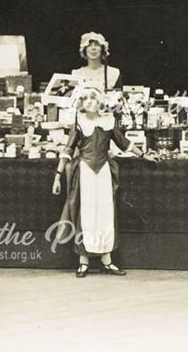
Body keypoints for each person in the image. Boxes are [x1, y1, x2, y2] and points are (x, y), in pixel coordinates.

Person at [52, 86, 143, 277]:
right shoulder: (79, 121)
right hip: (84, 171)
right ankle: (83, 262)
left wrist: (143, 154)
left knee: (105, 213)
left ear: (100, 100)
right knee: (85, 214)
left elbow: (123, 142)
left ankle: (107, 261)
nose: (90, 101)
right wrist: (58, 175)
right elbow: (68, 149)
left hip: (103, 172)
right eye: (85, 98)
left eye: (93, 97)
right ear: (81, 103)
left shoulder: (108, 121)